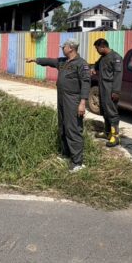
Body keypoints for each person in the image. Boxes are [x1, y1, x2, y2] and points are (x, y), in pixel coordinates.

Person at [26, 38, 91, 172]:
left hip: (73, 99)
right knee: (63, 126)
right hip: (62, 97)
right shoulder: (62, 62)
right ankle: (66, 154)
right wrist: (35, 60)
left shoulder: (81, 64)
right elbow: (49, 61)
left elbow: (86, 83)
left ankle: (78, 162)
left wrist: (82, 103)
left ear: (71, 48)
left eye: (64, 46)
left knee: (73, 128)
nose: (62, 48)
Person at [92, 38, 123, 147]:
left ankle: (115, 136)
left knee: (112, 112)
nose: (97, 51)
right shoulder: (103, 57)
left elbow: (118, 76)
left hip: (110, 89)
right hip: (103, 87)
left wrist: (116, 91)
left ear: (102, 47)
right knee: (105, 111)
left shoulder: (116, 58)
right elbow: (96, 65)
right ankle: (107, 133)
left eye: (97, 49)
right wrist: (93, 68)